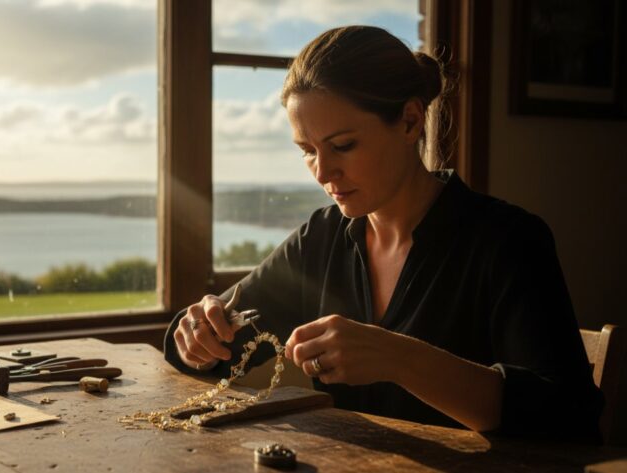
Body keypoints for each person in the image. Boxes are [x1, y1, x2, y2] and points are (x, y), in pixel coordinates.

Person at [163, 25, 603, 441]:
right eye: (307, 151)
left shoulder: (508, 241)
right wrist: (196, 336)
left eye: (342, 146)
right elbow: (226, 346)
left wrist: (400, 358)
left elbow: (569, 418)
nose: (323, 172)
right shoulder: (322, 237)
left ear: (411, 121)